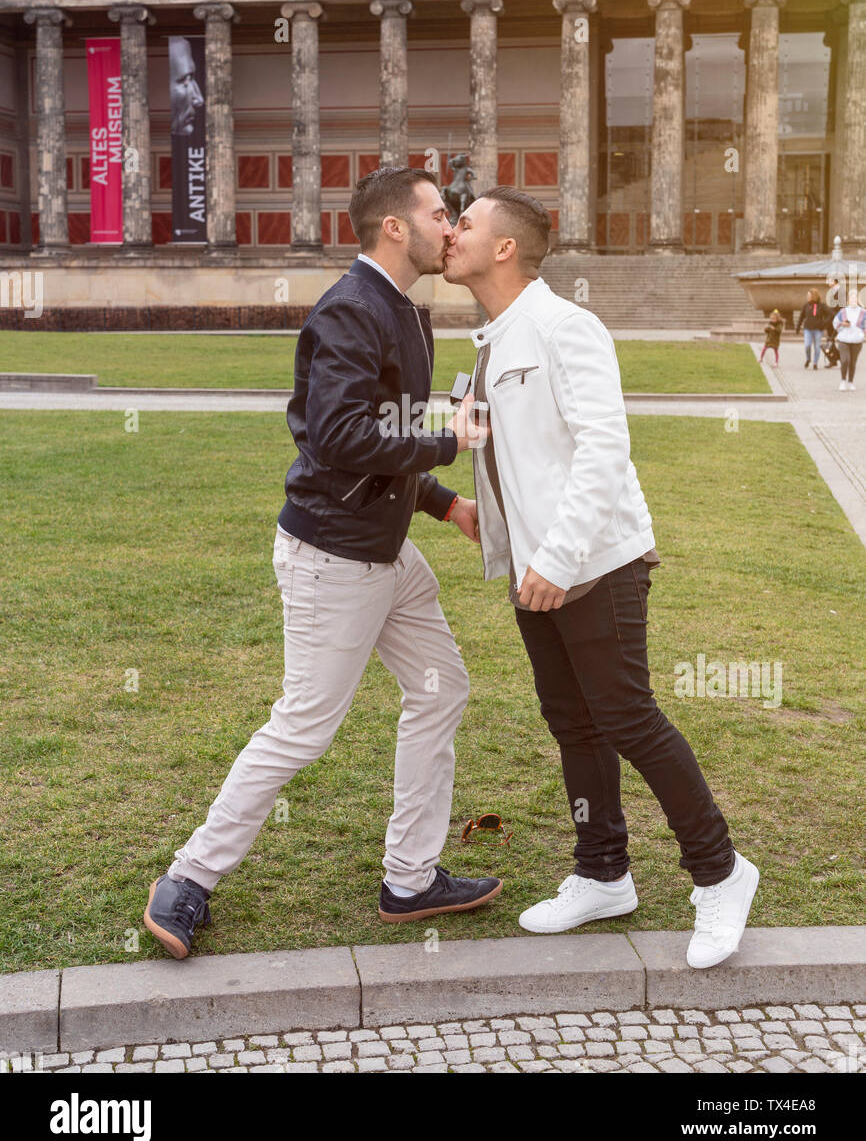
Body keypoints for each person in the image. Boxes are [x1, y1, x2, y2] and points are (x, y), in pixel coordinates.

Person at [144, 167, 502, 958]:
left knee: (441, 687)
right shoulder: (352, 309)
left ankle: (410, 878)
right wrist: (453, 440)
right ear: (395, 229)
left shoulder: (404, 308)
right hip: (332, 557)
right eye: (440, 214)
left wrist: (446, 505)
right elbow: (339, 438)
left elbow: (383, 439)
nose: (451, 227)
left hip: (383, 551)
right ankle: (187, 879)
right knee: (304, 725)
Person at [442, 186, 759, 969]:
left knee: (628, 719)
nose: (451, 234)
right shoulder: (494, 337)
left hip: (595, 564)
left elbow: (602, 448)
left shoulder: (564, 325)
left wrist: (557, 555)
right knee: (572, 725)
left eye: (468, 225)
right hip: (534, 572)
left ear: (506, 247)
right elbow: (522, 452)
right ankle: (602, 870)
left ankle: (721, 873)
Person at [833, 291, 866, 391]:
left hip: (857, 340)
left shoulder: (863, 312)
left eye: (855, 297)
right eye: (851, 298)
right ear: (848, 300)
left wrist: (863, 334)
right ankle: (843, 380)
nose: (853, 300)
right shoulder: (843, 311)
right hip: (844, 339)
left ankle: (850, 382)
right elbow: (835, 322)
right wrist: (842, 324)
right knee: (845, 360)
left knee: (853, 362)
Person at [795, 288, 827, 370]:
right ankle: (808, 359)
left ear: (813, 296)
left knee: (817, 347)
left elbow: (830, 314)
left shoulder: (821, 306)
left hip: (818, 330)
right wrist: (798, 327)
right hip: (808, 329)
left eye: (809, 295)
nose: (807, 297)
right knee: (807, 345)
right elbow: (801, 316)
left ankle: (815, 363)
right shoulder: (806, 305)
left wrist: (824, 324)